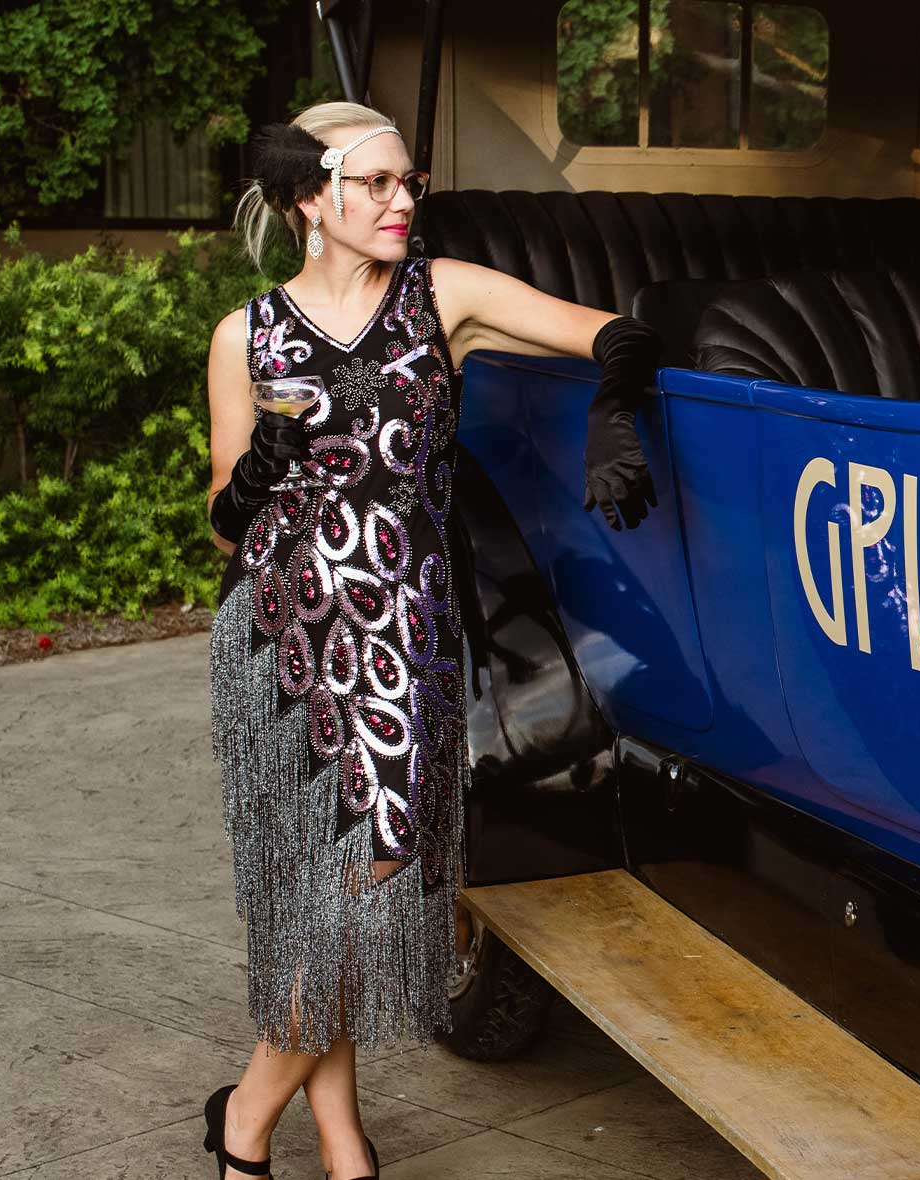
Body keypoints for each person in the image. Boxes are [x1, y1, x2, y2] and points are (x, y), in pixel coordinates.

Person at [197, 100, 660, 1180]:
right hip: (280, 641)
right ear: (312, 200)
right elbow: (221, 513)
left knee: (380, 866)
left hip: (406, 634)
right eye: (378, 185)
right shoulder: (245, 335)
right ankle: (345, 1141)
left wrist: (615, 412)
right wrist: (265, 458)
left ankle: (245, 1118)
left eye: (410, 183)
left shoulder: (443, 295)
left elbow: (618, 332)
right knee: (323, 889)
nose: (405, 201)